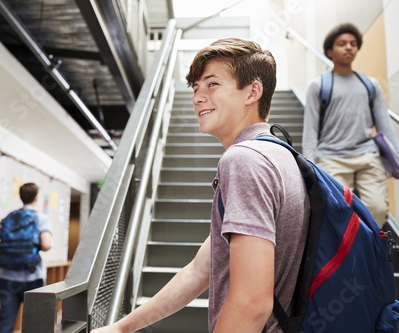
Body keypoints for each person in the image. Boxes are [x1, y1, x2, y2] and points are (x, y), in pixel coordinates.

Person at [91, 38, 310, 333]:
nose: (197, 97)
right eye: (195, 88)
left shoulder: (245, 161)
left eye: (212, 84)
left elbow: (252, 303)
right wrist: (122, 327)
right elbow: (199, 270)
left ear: (252, 92)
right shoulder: (279, 153)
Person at [302, 22, 399, 226]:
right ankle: (348, 252)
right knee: (336, 209)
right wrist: (309, 167)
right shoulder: (318, 85)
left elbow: (384, 125)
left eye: (353, 44)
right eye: (342, 43)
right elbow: (310, 130)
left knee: (378, 208)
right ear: (330, 51)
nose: (349, 47)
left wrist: (396, 159)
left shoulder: (370, 84)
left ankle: (372, 252)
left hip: (368, 156)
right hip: (331, 157)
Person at [0, 182, 53, 333]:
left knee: (6, 325)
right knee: (35, 326)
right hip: (33, 278)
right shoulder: (41, 218)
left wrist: (6, 247)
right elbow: (46, 245)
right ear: (36, 198)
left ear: (20, 197)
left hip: (7, 279)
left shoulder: (9, 217)